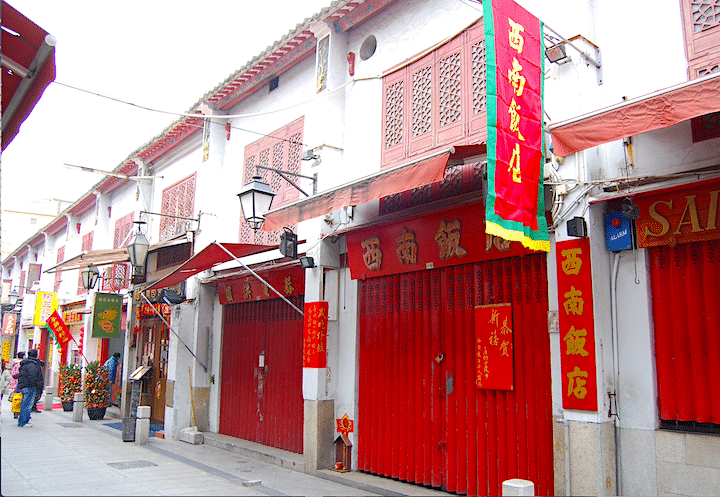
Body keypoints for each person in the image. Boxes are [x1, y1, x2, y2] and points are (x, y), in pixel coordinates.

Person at [16, 349, 44, 427]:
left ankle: (22, 420)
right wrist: (37, 385)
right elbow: (32, 376)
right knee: (27, 404)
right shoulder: (33, 364)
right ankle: (24, 422)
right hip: (30, 386)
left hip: (24, 385)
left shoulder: (25, 362)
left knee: (24, 403)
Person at [8, 351, 24, 418]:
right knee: (19, 397)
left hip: (14, 381)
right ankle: (17, 411)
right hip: (20, 382)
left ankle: (15, 410)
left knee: (16, 397)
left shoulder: (14, 362)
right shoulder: (21, 363)